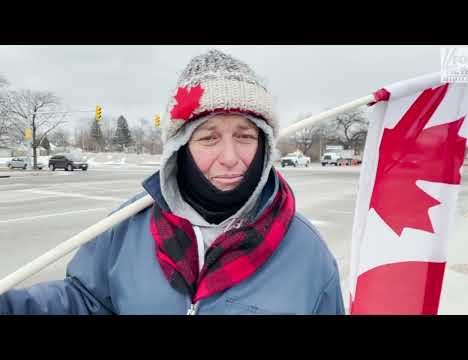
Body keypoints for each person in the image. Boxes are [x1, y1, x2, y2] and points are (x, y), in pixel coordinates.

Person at [0, 49, 345, 315]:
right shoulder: (126, 229)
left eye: (244, 136)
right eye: (209, 138)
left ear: (265, 143)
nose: (229, 157)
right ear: (180, 148)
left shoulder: (306, 252)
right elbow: (86, 302)